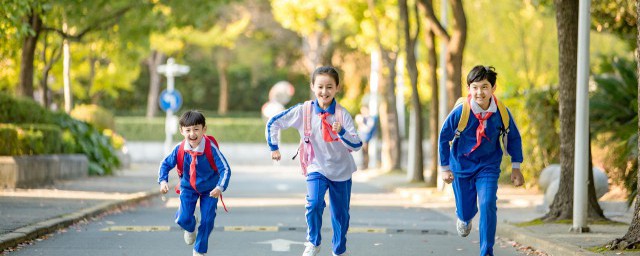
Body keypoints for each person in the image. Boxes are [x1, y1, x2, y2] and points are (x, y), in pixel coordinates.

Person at [265, 66, 362, 256]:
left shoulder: (343, 115)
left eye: (329, 87)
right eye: (320, 87)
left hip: (341, 170)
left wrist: (341, 131)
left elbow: (357, 144)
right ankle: (313, 241)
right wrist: (274, 147)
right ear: (312, 87)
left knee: (341, 216)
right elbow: (274, 122)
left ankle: (339, 250)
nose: (324, 92)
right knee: (314, 203)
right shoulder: (304, 111)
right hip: (316, 167)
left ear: (337, 88)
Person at [438, 65, 524, 256]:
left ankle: (487, 251)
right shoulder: (461, 112)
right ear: (469, 89)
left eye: (484, 87)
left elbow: (514, 137)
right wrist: (444, 168)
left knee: (487, 203)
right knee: (466, 210)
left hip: (488, 166)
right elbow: (444, 137)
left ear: (493, 88)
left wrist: (516, 167)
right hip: (461, 165)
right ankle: (464, 217)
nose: (479, 92)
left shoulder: (501, 112)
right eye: (475, 87)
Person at [158, 110, 231, 256]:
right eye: (188, 130)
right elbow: (165, 164)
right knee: (182, 219)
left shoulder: (211, 148)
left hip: (210, 190)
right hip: (188, 188)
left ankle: (199, 250)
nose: (192, 134)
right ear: (181, 131)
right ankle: (190, 227)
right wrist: (163, 181)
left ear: (204, 129)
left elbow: (225, 169)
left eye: (196, 129)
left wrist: (219, 187)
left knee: (208, 220)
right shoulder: (180, 149)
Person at [354, 105, 377, 169]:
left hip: (366, 137)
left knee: (365, 151)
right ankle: (364, 164)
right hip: (361, 137)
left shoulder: (370, 119)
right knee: (362, 151)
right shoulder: (361, 117)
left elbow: (367, 129)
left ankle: (365, 165)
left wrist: (361, 123)